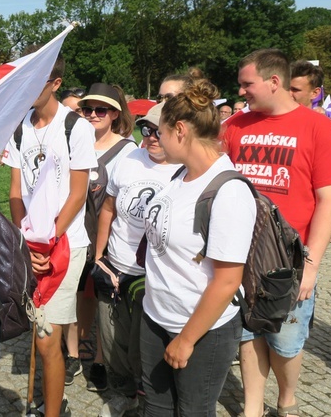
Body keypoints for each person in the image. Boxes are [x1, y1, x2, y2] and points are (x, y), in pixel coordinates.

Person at [222, 49, 331, 417]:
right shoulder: (235, 126)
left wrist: (311, 264)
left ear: (273, 82)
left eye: (247, 84)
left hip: (289, 261)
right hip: (238, 255)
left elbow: (329, 201)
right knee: (248, 334)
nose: (242, 91)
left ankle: (286, 398)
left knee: (285, 342)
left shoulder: (318, 127)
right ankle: (253, 408)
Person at [141, 79, 256, 416]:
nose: (155, 140)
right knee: (157, 408)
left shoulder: (229, 191)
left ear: (179, 131)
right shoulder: (180, 175)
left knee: (193, 411)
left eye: (159, 132)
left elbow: (227, 280)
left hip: (201, 330)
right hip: (156, 317)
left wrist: (187, 339)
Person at [4, 48, 97, 416]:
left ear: (55, 83)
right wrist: (23, 241)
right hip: (31, 244)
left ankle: (53, 411)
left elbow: (77, 194)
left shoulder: (77, 127)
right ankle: (48, 400)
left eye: (34, 80)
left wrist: (47, 240)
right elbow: (14, 191)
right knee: (40, 333)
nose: (25, 88)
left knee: (46, 338)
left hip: (65, 244)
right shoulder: (17, 126)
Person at [92, 100, 182, 417]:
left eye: (159, 130)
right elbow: (108, 208)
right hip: (116, 262)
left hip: (155, 273)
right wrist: (99, 255)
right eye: (146, 129)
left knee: (143, 345)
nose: (152, 136)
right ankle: (124, 395)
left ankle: (148, 401)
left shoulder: (184, 168)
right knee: (111, 338)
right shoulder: (129, 157)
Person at [71, 83, 137, 392]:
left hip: (108, 234)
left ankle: (99, 357)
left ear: (115, 113)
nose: (93, 115)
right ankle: (75, 349)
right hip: (73, 230)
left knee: (101, 296)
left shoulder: (128, 149)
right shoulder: (72, 140)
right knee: (75, 292)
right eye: (87, 109)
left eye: (102, 110)